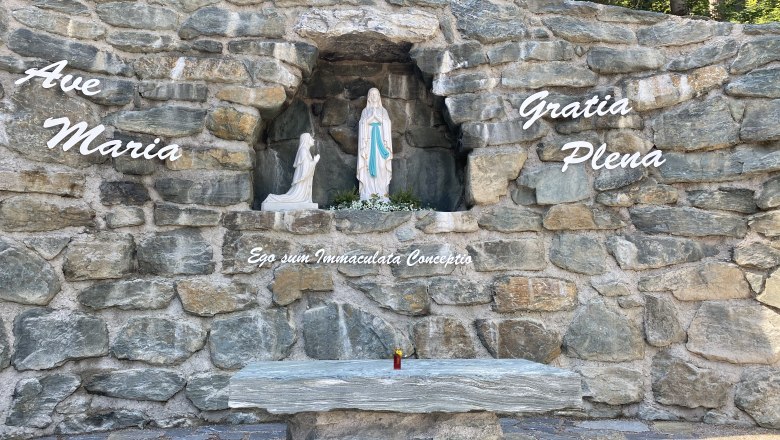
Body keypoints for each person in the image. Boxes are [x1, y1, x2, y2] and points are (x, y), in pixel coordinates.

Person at [357, 88, 393, 201]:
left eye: (376, 94)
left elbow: (387, 124)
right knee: (367, 167)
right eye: (371, 94)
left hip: (380, 144)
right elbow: (362, 124)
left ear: (379, 97)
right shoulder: (365, 111)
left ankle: (382, 193)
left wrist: (376, 117)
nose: (374, 96)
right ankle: (367, 193)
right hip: (368, 143)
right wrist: (370, 118)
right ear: (368, 97)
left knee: (381, 166)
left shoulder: (383, 111)